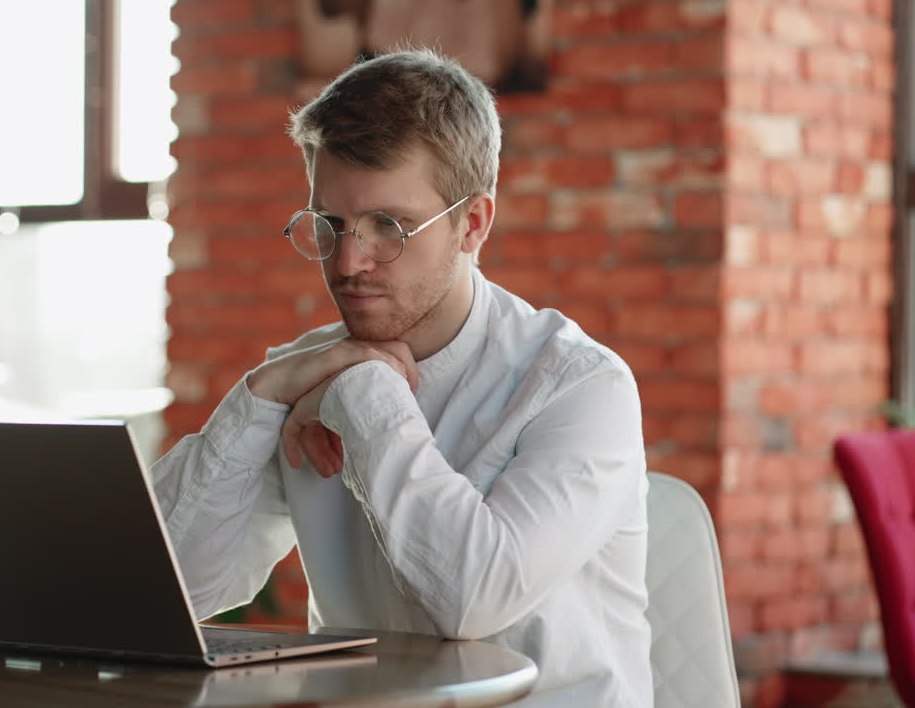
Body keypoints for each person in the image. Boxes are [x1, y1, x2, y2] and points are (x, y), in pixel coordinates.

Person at [150, 48, 652, 707]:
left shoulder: (583, 387)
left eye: (389, 226)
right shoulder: (305, 374)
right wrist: (263, 395)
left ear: (473, 224)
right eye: (329, 223)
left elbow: (473, 599)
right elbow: (175, 587)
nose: (349, 262)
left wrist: (361, 390)